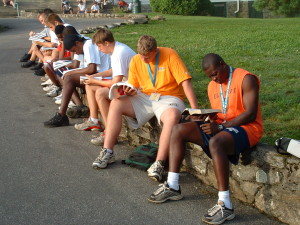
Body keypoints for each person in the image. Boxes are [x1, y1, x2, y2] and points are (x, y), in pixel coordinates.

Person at [148, 53, 264, 225]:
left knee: (215, 141)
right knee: (179, 129)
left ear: (223, 64)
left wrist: (221, 127)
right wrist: (202, 119)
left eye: (215, 74)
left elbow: (250, 113)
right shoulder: (212, 86)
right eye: (210, 76)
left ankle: (225, 204)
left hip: (248, 128)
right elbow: (220, 115)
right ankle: (173, 185)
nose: (214, 78)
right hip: (223, 127)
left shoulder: (245, 78)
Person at [92, 35, 199, 177]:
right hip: (145, 96)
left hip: (169, 97)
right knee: (116, 104)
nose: (143, 59)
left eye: (147, 57)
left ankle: (159, 163)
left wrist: (195, 110)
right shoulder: (137, 59)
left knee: (172, 116)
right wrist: (128, 91)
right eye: (141, 56)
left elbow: (185, 82)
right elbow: (133, 85)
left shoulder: (170, 54)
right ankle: (108, 151)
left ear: (156, 51)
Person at [74, 28, 136, 142]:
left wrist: (95, 81)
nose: (99, 49)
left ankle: (109, 134)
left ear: (106, 43)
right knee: (89, 86)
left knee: (100, 93)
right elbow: (113, 70)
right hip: (127, 83)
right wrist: (95, 76)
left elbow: (114, 82)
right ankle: (94, 120)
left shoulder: (119, 53)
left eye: (99, 46)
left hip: (134, 88)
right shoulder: (115, 49)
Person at [44, 34, 111, 127]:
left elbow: (92, 69)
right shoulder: (84, 45)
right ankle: (63, 114)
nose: (76, 53)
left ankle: (62, 115)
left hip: (103, 77)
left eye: (74, 50)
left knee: (69, 77)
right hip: (99, 75)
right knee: (67, 77)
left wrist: (71, 73)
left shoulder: (88, 45)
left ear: (78, 43)